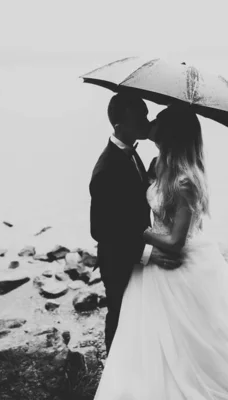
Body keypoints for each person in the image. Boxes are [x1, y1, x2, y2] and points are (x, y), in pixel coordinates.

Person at [94, 105, 228, 400]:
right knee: (141, 326)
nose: (149, 122)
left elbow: (174, 239)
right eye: (144, 117)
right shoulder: (150, 163)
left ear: (169, 133)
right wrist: (141, 240)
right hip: (147, 258)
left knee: (187, 331)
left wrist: (140, 235)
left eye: (155, 119)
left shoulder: (184, 180)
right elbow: (110, 221)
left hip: (171, 256)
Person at [89, 93, 181, 354]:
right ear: (121, 125)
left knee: (136, 318)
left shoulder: (132, 154)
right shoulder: (107, 168)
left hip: (135, 252)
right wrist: (146, 254)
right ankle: (113, 380)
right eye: (140, 116)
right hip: (118, 261)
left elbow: (132, 204)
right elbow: (101, 230)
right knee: (119, 317)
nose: (147, 120)